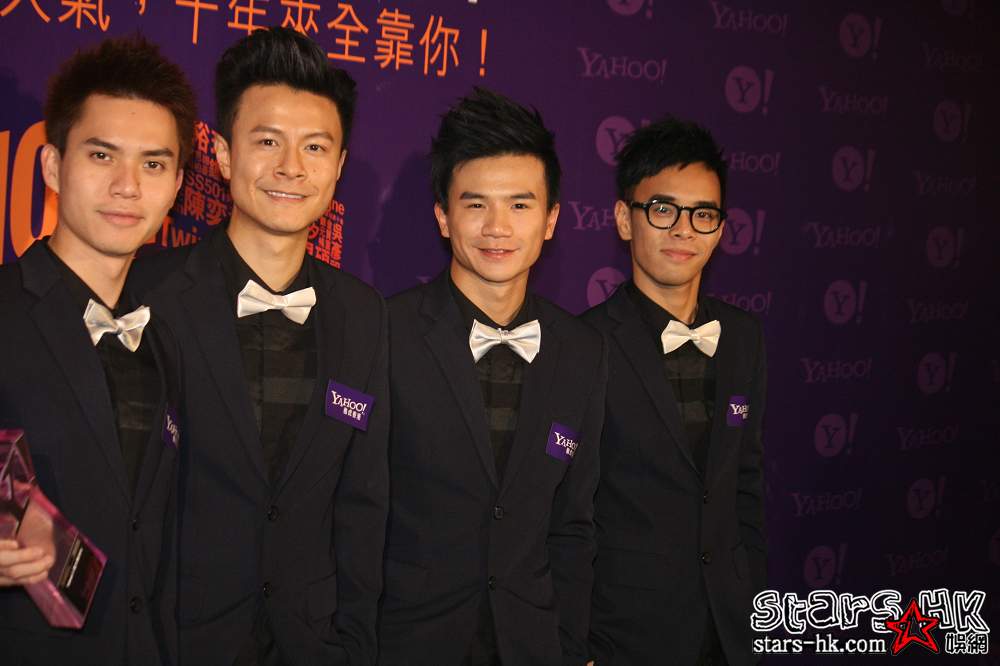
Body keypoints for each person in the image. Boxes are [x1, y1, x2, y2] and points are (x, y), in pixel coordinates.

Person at [131, 27, 389, 666]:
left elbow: (363, 503)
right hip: (177, 640)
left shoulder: (364, 314)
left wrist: (355, 644)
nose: (291, 167)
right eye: (268, 141)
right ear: (222, 154)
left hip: (314, 644)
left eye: (315, 147)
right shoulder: (147, 294)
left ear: (339, 166)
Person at [378, 87, 606, 666]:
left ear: (552, 220)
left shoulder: (582, 351)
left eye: (520, 205)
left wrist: (569, 647)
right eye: (476, 204)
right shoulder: (385, 332)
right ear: (442, 215)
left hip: (532, 644)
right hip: (408, 643)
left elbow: (573, 525)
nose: (497, 227)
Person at [0, 36, 195, 665]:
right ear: (53, 166)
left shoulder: (168, 334)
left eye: (154, 165)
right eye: (102, 155)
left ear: (177, 187)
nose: (127, 186)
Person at [584, 117, 767, 666]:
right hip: (625, 638)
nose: (684, 230)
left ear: (721, 228)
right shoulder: (583, 345)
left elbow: (744, 484)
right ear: (624, 219)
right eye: (663, 210)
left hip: (730, 633)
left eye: (703, 214)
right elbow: (563, 514)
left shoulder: (744, 337)